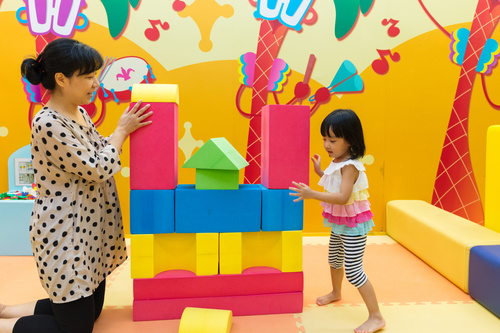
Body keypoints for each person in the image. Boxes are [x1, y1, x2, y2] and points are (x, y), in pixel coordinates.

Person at [0, 38, 152, 333]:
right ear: (61, 79)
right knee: (77, 328)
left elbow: (96, 154)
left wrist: (119, 135)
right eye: (88, 76)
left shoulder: (78, 112)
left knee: (90, 312)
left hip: (88, 231)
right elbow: (97, 167)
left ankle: (6, 310)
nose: (96, 83)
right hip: (65, 234)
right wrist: (121, 131)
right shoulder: (48, 122)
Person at [289, 109, 385, 333]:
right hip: (340, 224)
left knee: (354, 270)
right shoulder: (337, 161)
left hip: (353, 226)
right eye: (324, 139)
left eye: (332, 140)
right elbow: (334, 183)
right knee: (334, 259)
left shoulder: (351, 165)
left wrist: (312, 194)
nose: (327, 144)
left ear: (350, 140)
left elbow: (343, 197)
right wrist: (321, 171)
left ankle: (376, 316)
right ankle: (336, 292)